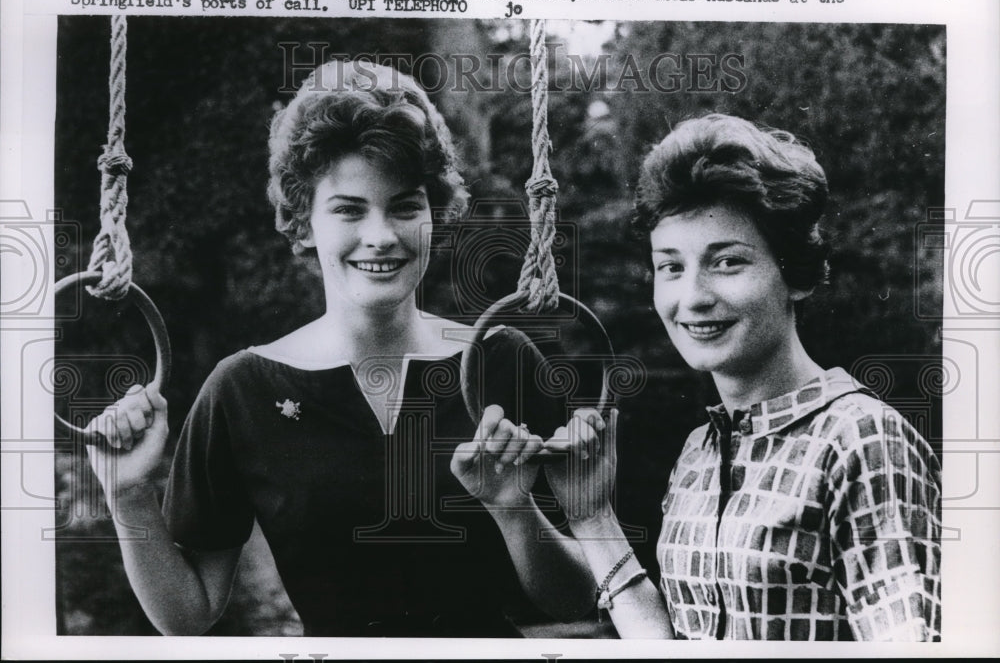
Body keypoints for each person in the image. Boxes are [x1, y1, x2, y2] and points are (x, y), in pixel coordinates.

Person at [84, 59, 595, 637]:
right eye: (349, 209)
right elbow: (189, 613)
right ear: (303, 222)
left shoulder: (503, 360)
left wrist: (515, 511)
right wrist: (127, 497)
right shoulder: (243, 389)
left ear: (434, 213)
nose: (381, 236)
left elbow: (574, 600)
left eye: (405, 205)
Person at [541, 113, 942, 640]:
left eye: (727, 262)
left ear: (794, 273)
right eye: (671, 267)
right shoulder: (697, 452)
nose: (693, 297)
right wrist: (593, 517)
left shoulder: (862, 441)